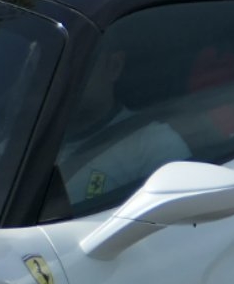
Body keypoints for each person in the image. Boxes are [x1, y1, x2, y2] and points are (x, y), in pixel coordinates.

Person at [53, 40, 189, 211]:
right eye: (54, 64)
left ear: (114, 66)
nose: (61, 75)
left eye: (75, 62)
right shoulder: (19, 143)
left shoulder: (152, 144)